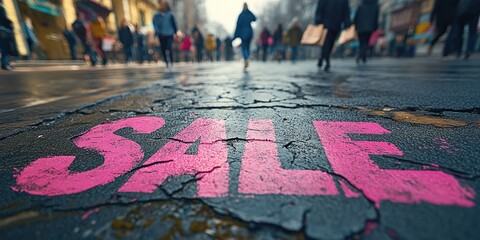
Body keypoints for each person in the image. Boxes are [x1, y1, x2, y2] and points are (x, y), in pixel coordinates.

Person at [315, 0, 351, 71]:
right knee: (328, 42)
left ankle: (323, 57)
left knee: (328, 42)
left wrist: (318, 20)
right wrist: (347, 22)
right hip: (333, 23)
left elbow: (319, 8)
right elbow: (346, 11)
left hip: (331, 23)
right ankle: (327, 59)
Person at [153, 0, 178, 69]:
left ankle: (171, 63)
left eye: (164, 4)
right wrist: (157, 33)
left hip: (169, 34)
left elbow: (174, 24)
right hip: (161, 34)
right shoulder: (157, 15)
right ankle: (167, 63)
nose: (162, 6)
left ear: (166, 5)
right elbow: (155, 24)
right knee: (163, 49)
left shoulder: (170, 14)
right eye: (161, 4)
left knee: (170, 48)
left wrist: (176, 32)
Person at [354, 0, 379, 64]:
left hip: (360, 27)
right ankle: (363, 56)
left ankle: (360, 54)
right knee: (366, 42)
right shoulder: (375, 6)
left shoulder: (361, 6)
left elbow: (356, 17)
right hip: (370, 28)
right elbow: (376, 18)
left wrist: (355, 26)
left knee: (361, 42)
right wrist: (375, 27)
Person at [234, 2, 257, 71]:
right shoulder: (248, 14)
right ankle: (246, 58)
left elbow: (238, 25)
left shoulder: (241, 15)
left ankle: (246, 58)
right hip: (249, 33)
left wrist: (236, 35)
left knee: (244, 47)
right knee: (247, 46)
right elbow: (254, 18)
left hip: (243, 34)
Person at [0, 3, 14, 70]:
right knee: (5, 48)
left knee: (4, 48)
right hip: (2, 30)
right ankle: (5, 64)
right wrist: (10, 23)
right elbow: (3, 18)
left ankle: (5, 63)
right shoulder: (1, 7)